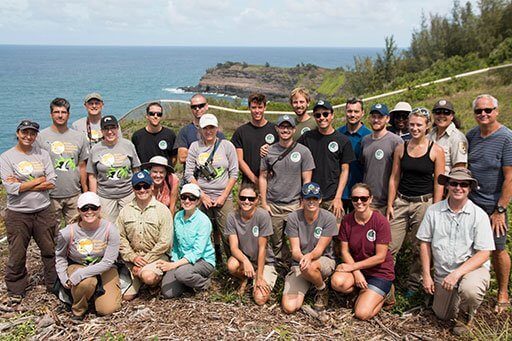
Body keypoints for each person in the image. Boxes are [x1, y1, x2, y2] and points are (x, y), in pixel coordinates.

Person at [417, 168, 495, 335]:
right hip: (443, 274)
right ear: (447, 186)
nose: (458, 188)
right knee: (442, 314)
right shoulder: (434, 211)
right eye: (454, 183)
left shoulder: (478, 215)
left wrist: (457, 274)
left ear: (470, 188)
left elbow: (484, 253)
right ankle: (457, 301)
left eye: (464, 184)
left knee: (470, 290)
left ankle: (466, 316)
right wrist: (427, 275)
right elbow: (424, 242)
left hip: (471, 270)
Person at [387, 107, 445, 295]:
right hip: (402, 201)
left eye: (419, 124)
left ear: (427, 126)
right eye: (412, 124)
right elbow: (394, 177)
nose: (414, 128)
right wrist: (390, 203)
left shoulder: (436, 150)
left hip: (424, 202)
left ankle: (414, 285)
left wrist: (436, 208)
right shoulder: (401, 147)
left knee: (419, 246)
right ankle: (386, 283)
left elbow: (439, 181)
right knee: (389, 246)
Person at [0, 120, 57, 303]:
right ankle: (16, 289)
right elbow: (10, 188)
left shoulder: (43, 154)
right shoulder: (6, 157)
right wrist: (37, 181)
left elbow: (52, 182)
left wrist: (22, 184)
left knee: (50, 249)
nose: (28, 136)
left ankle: (54, 283)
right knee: (17, 252)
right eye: (24, 132)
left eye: (32, 133)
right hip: (18, 213)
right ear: (18, 133)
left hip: (43, 210)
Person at [466, 94, 512, 314]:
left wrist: (500, 209)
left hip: (494, 205)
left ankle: (502, 292)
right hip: (471, 203)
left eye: (488, 110)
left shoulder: (506, 138)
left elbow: (510, 177)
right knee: (470, 248)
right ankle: (472, 289)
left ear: (497, 111)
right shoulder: (472, 136)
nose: (483, 114)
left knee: (498, 248)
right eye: (478, 111)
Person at [331, 183, 395, 320]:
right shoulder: (347, 220)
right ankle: (362, 291)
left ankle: (386, 294)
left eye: (364, 198)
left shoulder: (380, 222)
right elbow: (345, 251)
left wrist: (353, 267)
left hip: (379, 272)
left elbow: (380, 257)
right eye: (355, 199)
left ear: (370, 199)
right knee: (337, 282)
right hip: (358, 269)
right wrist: (357, 272)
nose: (359, 202)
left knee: (362, 314)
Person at [55, 192, 121, 319]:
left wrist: (80, 274)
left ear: (99, 209)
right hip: (78, 264)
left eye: (94, 208)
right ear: (79, 210)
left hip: (105, 267)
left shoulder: (110, 229)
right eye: (85, 208)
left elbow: (108, 262)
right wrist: (64, 278)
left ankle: (95, 294)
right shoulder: (68, 232)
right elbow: (60, 256)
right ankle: (78, 309)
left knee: (107, 309)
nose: (89, 212)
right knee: (87, 282)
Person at [259, 115, 314, 266]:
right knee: (276, 241)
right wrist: (264, 202)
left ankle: (296, 266)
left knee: (297, 239)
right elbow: (263, 177)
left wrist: (304, 202)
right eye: (282, 127)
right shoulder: (268, 151)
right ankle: (281, 266)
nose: (285, 130)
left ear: (294, 129)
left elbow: (307, 179)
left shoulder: (303, 152)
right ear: (277, 129)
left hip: (294, 204)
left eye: (288, 127)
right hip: (273, 204)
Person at [185, 113, 238, 264]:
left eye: (212, 128)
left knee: (228, 232)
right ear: (200, 129)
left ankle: (232, 263)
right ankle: (207, 263)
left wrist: (223, 196)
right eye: (205, 128)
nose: (209, 131)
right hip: (202, 197)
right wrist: (202, 196)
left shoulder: (226, 146)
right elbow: (189, 174)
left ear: (217, 128)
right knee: (203, 232)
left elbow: (234, 173)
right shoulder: (195, 147)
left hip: (223, 196)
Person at [281, 182, 338, 313]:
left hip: (323, 260)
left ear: (320, 200)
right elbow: (295, 250)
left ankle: (321, 289)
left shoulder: (329, 218)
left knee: (311, 266)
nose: (311, 202)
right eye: (308, 198)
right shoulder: (293, 218)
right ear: (302, 200)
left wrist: (309, 257)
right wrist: (303, 259)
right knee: (289, 307)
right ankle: (310, 281)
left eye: (315, 198)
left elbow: (319, 249)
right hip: (300, 263)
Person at [117, 171, 173, 300]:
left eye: (146, 186)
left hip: (155, 257)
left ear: (152, 186)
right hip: (133, 259)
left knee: (148, 277)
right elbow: (120, 237)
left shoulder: (162, 210)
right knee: (126, 297)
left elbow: (165, 242)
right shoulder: (125, 211)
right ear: (133, 189)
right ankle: (138, 278)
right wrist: (132, 257)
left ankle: (156, 282)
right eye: (138, 187)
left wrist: (144, 262)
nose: (142, 190)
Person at [298, 100, 355, 220]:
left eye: (325, 114)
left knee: (336, 235)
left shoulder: (343, 140)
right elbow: (290, 151)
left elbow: (345, 170)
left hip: (332, 198)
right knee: (310, 235)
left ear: (332, 115)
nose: (322, 118)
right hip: (311, 197)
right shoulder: (307, 137)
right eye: (318, 115)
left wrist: (338, 197)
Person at [38, 98, 89, 229]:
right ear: (51, 114)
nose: (60, 115)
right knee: (51, 232)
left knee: (76, 232)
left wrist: (85, 191)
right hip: (50, 195)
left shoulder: (79, 137)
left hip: (74, 194)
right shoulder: (41, 137)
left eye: (63, 112)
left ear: (68, 114)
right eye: (56, 112)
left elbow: (82, 165)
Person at [157, 184, 216, 298]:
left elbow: (197, 252)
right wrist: (174, 259)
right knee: (168, 292)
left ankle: (205, 284)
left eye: (192, 198)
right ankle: (188, 282)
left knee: (181, 273)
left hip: (202, 260)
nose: (187, 201)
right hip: (181, 260)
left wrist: (173, 265)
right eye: (184, 197)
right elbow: (175, 244)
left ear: (198, 201)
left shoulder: (203, 221)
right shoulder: (178, 217)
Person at [225, 183, 277, 305]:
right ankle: (245, 278)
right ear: (238, 199)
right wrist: (245, 261)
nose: (246, 201)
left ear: (257, 200)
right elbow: (233, 247)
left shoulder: (262, 216)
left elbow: (262, 248)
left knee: (260, 299)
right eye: (243, 198)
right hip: (245, 259)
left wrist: (259, 276)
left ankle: (255, 278)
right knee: (232, 265)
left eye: (251, 199)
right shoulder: (232, 217)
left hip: (264, 261)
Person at [87, 115, 141, 223]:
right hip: (105, 196)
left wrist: (137, 192)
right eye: (106, 129)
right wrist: (94, 198)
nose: (110, 132)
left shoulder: (128, 145)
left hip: (127, 194)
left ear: (117, 128)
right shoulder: (95, 149)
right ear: (101, 131)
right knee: (108, 226)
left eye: (112, 128)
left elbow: (136, 169)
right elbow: (92, 176)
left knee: (130, 224)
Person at [361, 103, 403, 214]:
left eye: (380, 117)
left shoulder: (396, 141)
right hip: (367, 201)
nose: (376, 120)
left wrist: (391, 202)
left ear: (387, 119)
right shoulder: (365, 140)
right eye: (373, 117)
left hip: (386, 202)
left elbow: (399, 173)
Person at [231, 93, 278, 186]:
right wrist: (255, 180)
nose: (257, 111)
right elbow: (239, 160)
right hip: (248, 183)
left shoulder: (275, 129)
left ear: (265, 107)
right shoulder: (241, 131)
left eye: (260, 107)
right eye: (254, 107)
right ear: (249, 108)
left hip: (272, 183)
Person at [337, 98, 371, 212]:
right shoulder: (337, 134)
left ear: (362, 113)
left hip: (360, 195)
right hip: (339, 193)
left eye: (356, 111)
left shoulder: (369, 137)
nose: (352, 115)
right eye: (349, 111)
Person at [174, 94, 224, 165]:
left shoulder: (217, 131)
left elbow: (223, 154)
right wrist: (210, 151)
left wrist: (193, 153)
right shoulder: (185, 131)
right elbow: (182, 157)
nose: (197, 109)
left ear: (206, 106)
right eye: (194, 107)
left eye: (201, 106)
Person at [428, 99, 468, 173]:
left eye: (446, 113)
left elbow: (459, 167)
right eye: (438, 112)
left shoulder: (458, 138)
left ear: (452, 116)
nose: (441, 115)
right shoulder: (429, 135)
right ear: (433, 115)